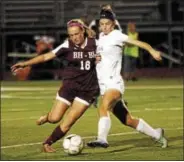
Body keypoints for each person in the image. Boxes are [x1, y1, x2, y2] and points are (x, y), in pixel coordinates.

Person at [11, 19, 99, 153]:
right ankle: (47, 117)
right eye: (71, 35)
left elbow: (110, 54)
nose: (74, 37)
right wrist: (25, 63)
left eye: (77, 33)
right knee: (55, 118)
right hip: (69, 86)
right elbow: (46, 56)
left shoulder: (96, 44)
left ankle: (48, 142)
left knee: (69, 121)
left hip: (88, 89)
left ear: (83, 31)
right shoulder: (67, 45)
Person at [87, 9, 168, 148]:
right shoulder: (101, 37)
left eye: (107, 23)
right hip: (104, 86)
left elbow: (138, 43)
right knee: (128, 120)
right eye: (102, 24)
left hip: (114, 83)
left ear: (113, 24)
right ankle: (156, 134)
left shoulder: (117, 35)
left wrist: (152, 50)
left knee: (103, 107)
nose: (104, 26)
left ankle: (102, 139)